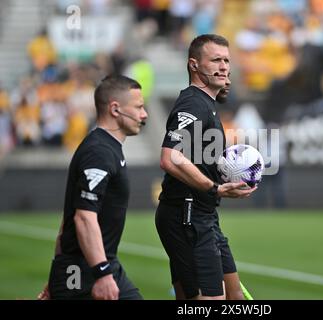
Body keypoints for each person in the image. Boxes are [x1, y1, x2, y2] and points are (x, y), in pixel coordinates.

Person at [155, 34, 257, 300]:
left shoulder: (207, 105)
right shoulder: (192, 103)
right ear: (194, 65)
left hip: (204, 216)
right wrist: (215, 188)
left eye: (226, 60)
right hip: (186, 215)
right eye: (215, 60)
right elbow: (170, 157)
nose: (224, 66)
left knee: (235, 296)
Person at [39, 75, 148, 300]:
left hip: (100, 266)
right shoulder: (99, 152)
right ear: (115, 109)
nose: (144, 114)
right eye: (138, 107)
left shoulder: (108, 148)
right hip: (85, 272)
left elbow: (67, 221)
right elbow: (83, 218)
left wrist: (57, 275)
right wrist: (102, 274)